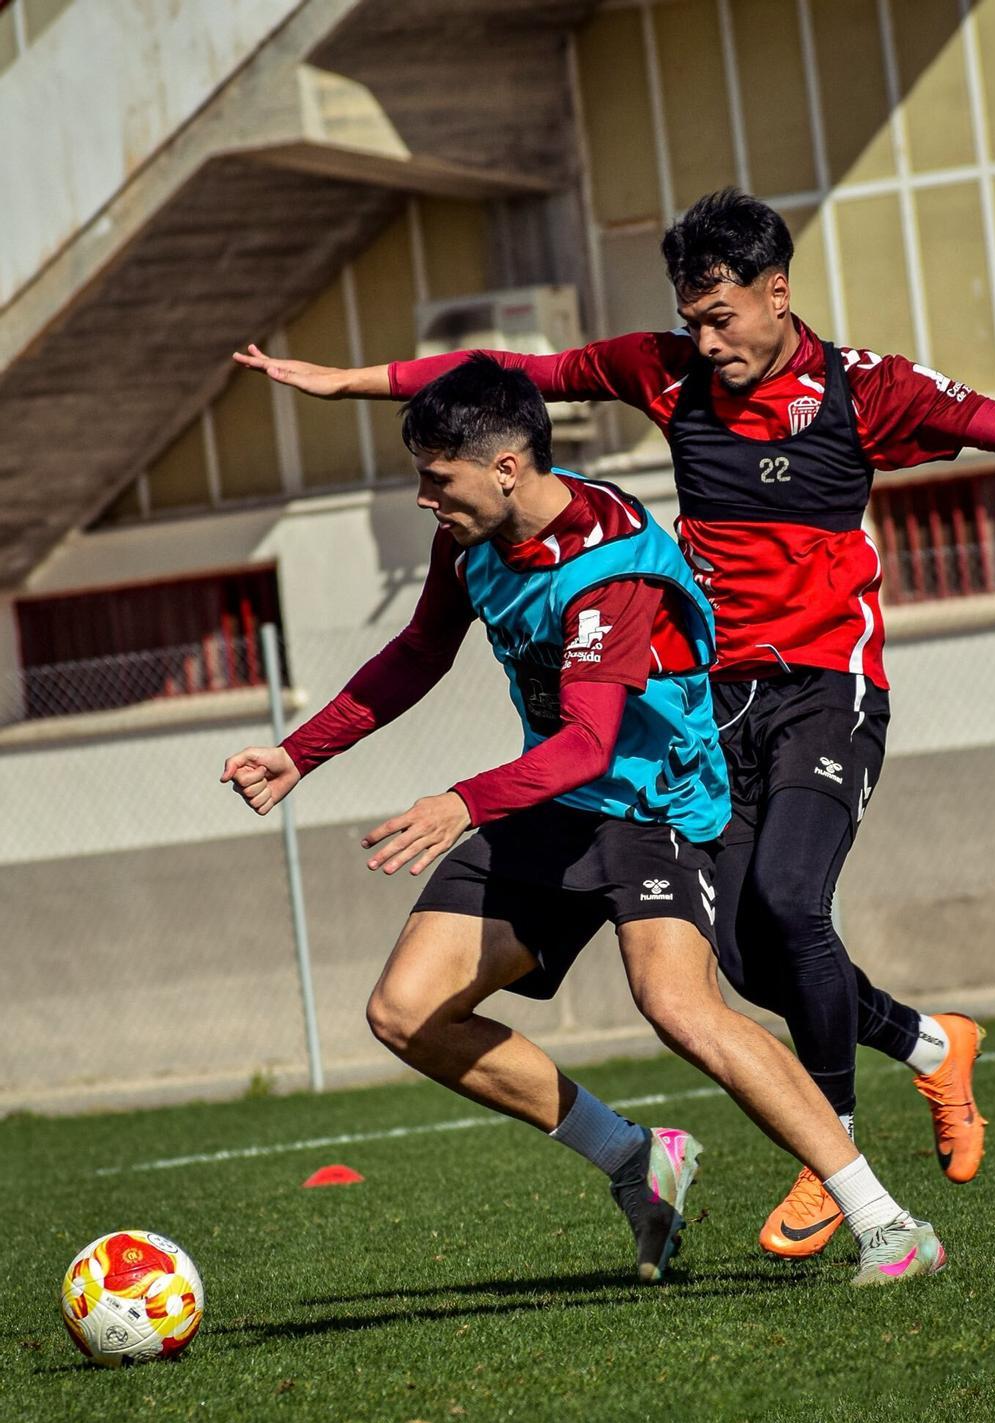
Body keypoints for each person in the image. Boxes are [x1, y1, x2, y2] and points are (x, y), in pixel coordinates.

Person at [233, 189, 995, 1259]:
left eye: (721, 317)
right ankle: (906, 1052)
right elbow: (516, 380)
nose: (702, 341)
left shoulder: (837, 405)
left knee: (765, 927)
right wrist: (342, 382)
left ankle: (855, 1187)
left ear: (776, 292)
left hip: (801, 696)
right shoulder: (624, 406)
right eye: (689, 318)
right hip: (685, 717)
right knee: (733, 961)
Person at [222, 357, 946, 1286]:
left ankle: (888, 1224)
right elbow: (418, 652)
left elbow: (592, 741)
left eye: (436, 477)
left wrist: (461, 802)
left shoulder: (611, 567)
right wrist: (300, 751)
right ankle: (636, 1160)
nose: (422, 498)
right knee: (404, 1013)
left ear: (507, 467)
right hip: (553, 807)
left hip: (656, 809)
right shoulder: (470, 539)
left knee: (679, 1007)